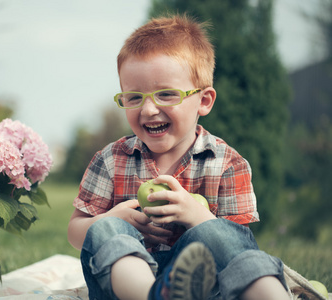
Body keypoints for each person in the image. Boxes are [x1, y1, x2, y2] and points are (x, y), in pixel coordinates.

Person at [67, 14, 290, 300]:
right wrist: (112, 218)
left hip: (204, 287)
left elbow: (236, 247)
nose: (148, 110)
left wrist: (197, 216)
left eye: (166, 94)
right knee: (105, 227)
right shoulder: (111, 159)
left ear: (204, 100)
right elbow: (75, 232)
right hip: (126, 287)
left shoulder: (226, 163)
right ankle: (154, 295)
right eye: (134, 97)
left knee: (217, 233)